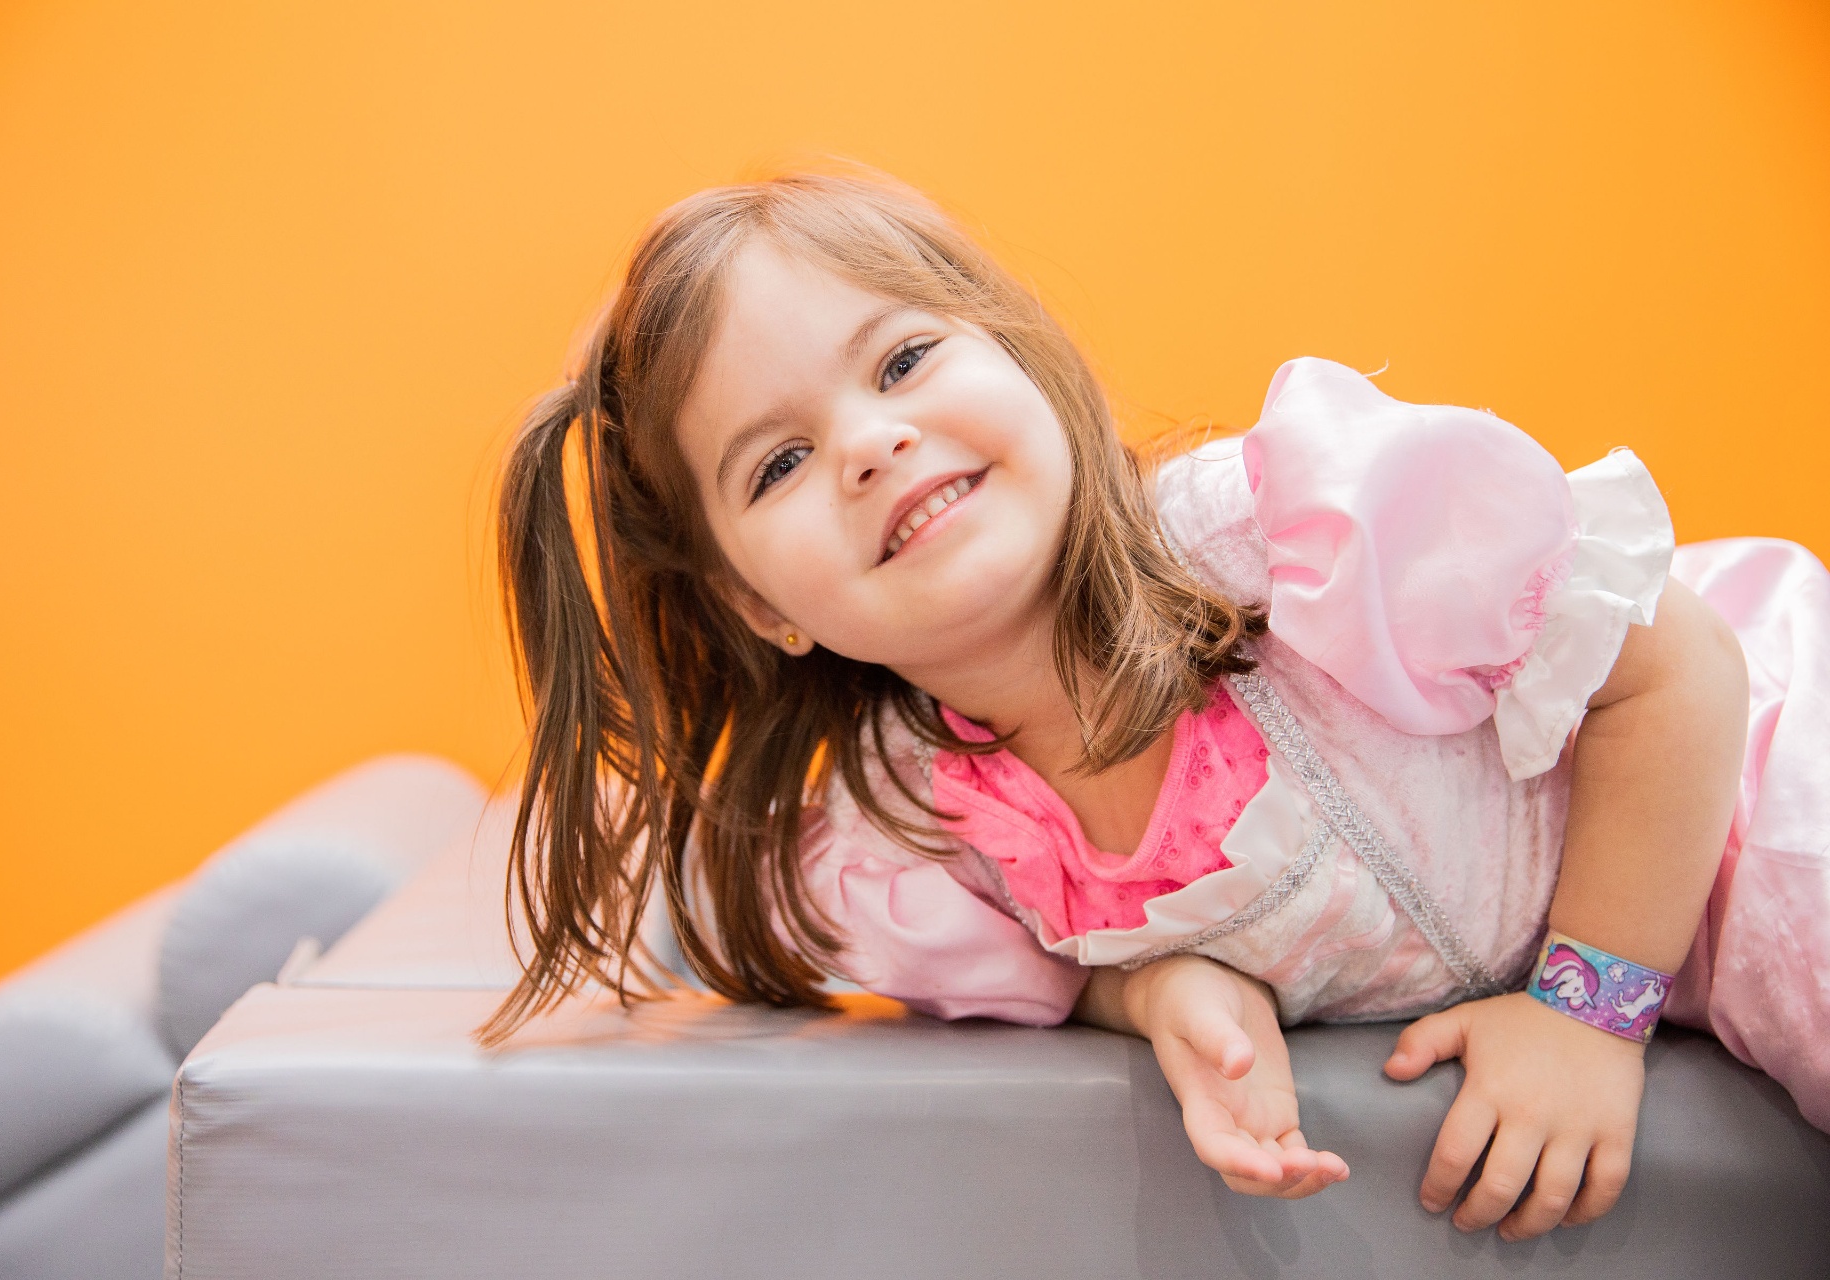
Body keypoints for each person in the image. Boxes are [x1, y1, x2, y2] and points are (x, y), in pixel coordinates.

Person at [480, 169, 1829, 1241]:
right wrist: (1166, 991)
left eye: (900, 364)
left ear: (1018, 357)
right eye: (778, 461)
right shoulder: (915, 823)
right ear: (755, 604)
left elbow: (1680, 669)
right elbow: (1068, 975)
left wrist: (1589, 1012)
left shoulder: (1287, 546)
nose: (870, 442)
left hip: (1748, 797)